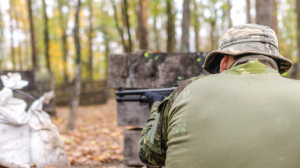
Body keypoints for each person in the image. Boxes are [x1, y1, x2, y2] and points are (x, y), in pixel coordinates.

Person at [138, 24, 300, 168]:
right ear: (276, 65)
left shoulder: (187, 90)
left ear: (223, 62)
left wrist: (156, 106)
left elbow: (148, 154)